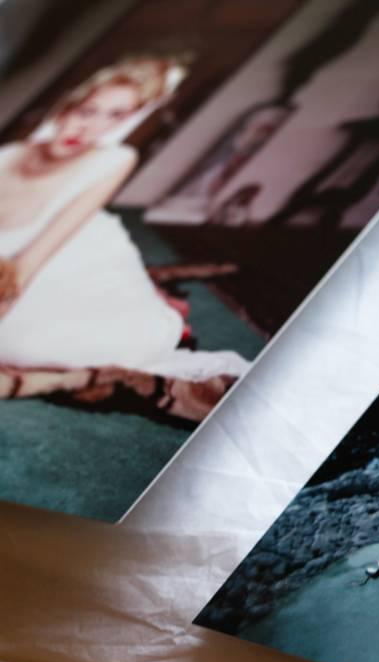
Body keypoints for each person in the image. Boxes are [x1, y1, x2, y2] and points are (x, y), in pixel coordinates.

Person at [0, 58, 248, 417]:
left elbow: (24, 269)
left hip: (64, 261)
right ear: (65, 108)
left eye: (115, 117)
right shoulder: (9, 155)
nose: (90, 128)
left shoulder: (114, 159)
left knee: (24, 344)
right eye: (87, 111)